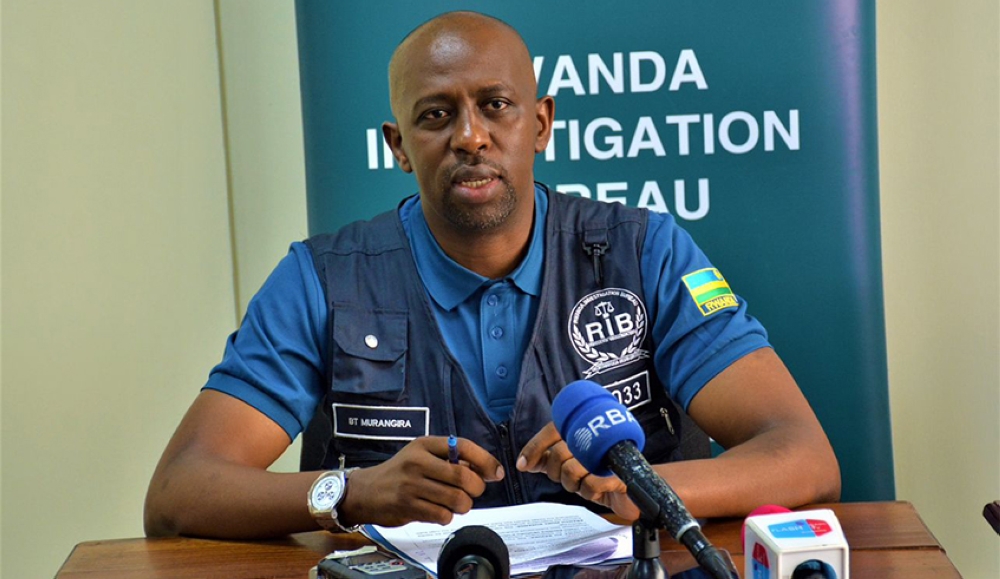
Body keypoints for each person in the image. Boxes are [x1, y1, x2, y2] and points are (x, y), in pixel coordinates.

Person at [144, 10, 840, 539]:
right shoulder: (322, 280)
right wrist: (353, 492)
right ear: (399, 147)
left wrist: (646, 490)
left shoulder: (645, 250)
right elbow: (179, 491)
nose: (470, 136)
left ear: (540, 123)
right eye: (436, 115)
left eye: (496, 105)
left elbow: (805, 456)